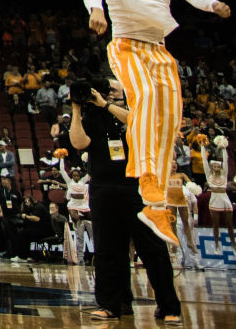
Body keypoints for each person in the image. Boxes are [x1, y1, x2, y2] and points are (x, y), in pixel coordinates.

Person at [83, 0, 230, 244]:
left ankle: (156, 204)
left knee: (170, 117)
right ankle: (147, 178)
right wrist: (96, 7)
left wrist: (212, 4)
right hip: (126, 46)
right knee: (145, 97)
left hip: (158, 50)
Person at [70, 82, 180, 322]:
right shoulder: (92, 117)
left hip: (136, 186)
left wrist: (106, 104)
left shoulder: (137, 110)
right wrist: (77, 109)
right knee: (108, 250)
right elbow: (78, 143)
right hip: (102, 188)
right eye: (106, 89)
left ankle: (169, 307)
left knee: (152, 249)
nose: (109, 92)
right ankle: (110, 305)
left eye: (113, 89)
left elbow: (138, 124)